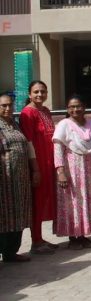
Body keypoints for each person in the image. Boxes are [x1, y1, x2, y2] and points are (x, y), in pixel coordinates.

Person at [53, 95, 91, 249]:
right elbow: (57, 149)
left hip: (87, 169)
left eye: (78, 106)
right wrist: (61, 172)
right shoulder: (64, 125)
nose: (75, 109)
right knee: (72, 202)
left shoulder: (89, 123)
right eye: (72, 107)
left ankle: (82, 235)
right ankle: (73, 238)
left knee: (85, 201)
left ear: (84, 107)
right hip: (71, 169)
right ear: (67, 109)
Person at [19, 80, 58, 254]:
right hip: (38, 163)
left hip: (49, 162)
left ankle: (40, 238)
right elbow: (28, 142)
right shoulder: (27, 113)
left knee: (44, 201)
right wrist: (35, 168)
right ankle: (35, 241)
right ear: (29, 94)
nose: (40, 94)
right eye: (36, 92)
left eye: (43, 91)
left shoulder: (46, 111)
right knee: (37, 202)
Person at [0, 93, 39, 262]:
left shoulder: (15, 124)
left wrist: (35, 170)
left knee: (20, 214)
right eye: (4, 105)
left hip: (21, 180)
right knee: (4, 217)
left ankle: (11, 252)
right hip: (4, 181)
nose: (8, 108)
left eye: (10, 105)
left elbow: (28, 147)